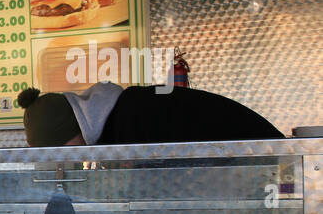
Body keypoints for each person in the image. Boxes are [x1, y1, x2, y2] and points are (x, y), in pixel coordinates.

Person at [17, 81, 283, 146]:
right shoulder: (125, 110)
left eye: (60, 150)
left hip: (267, 165)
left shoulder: (132, 119)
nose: (62, 162)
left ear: (70, 132)